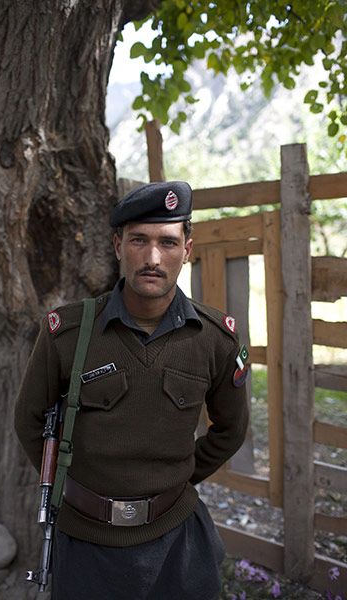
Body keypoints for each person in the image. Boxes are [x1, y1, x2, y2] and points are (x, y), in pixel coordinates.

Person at [14, 180, 249, 600]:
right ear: (119, 246)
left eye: (168, 242)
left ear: (187, 250)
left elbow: (231, 429)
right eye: (139, 240)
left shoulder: (215, 339)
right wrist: (74, 486)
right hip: (86, 544)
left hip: (178, 541)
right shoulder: (67, 333)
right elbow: (29, 421)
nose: (154, 257)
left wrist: (175, 479)